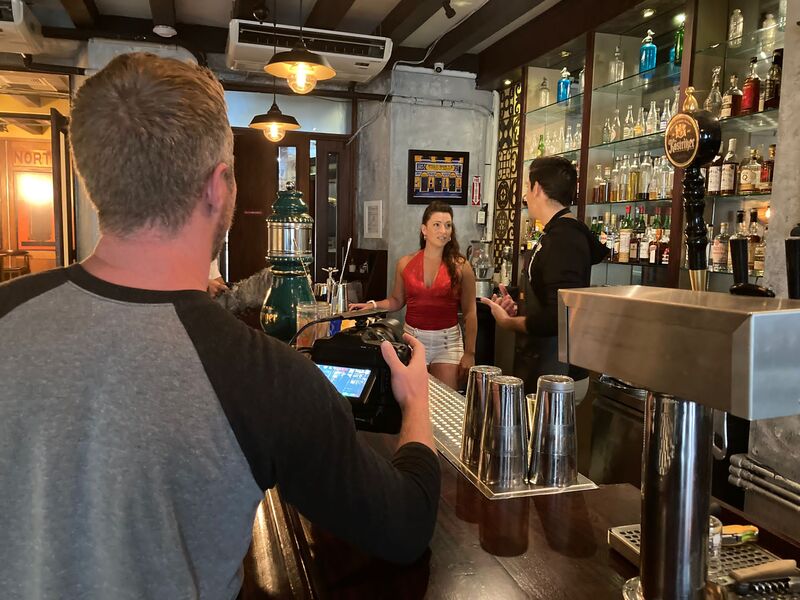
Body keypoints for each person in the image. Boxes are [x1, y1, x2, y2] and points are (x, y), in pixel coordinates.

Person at [0, 53, 440, 599]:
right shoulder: (265, 378)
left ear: (93, 180)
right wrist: (417, 402)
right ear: (218, 186)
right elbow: (405, 526)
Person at [481, 157, 608, 398]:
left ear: (537, 188)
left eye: (527, 187)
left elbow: (557, 318)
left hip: (557, 374)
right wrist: (518, 308)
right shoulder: (558, 233)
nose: (525, 196)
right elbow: (550, 300)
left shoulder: (564, 240)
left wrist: (508, 323)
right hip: (545, 369)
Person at [351, 201, 476, 391]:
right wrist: (372, 305)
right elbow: (396, 301)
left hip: (448, 343)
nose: (443, 230)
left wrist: (470, 353)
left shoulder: (462, 266)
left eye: (448, 225)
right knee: (414, 403)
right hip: (414, 340)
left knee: (446, 405)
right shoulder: (405, 263)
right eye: (437, 224)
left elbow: (470, 313)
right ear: (424, 230)